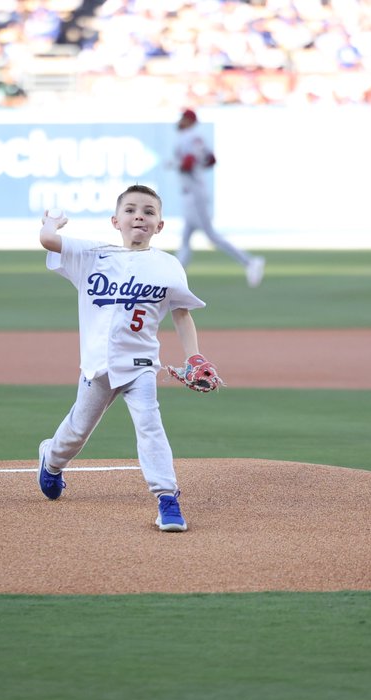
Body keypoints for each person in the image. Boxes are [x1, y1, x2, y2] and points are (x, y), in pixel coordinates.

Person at [36, 184, 216, 532]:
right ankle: (52, 461)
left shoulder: (167, 265)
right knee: (76, 431)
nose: (140, 216)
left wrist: (193, 356)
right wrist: (51, 223)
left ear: (159, 225)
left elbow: (181, 313)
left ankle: (168, 499)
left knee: (150, 426)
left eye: (149, 212)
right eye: (131, 210)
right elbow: (48, 242)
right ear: (115, 220)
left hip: (141, 366)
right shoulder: (93, 254)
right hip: (97, 366)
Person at [172, 108, 265, 288]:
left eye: (183, 118)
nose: (180, 121)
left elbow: (188, 162)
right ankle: (175, 277)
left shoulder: (188, 137)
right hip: (193, 190)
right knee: (185, 237)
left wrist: (178, 164)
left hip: (194, 193)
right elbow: (211, 159)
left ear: (189, 120)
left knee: (211, 236)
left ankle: (250, 262)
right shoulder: (196, 137)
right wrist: (197, 166)